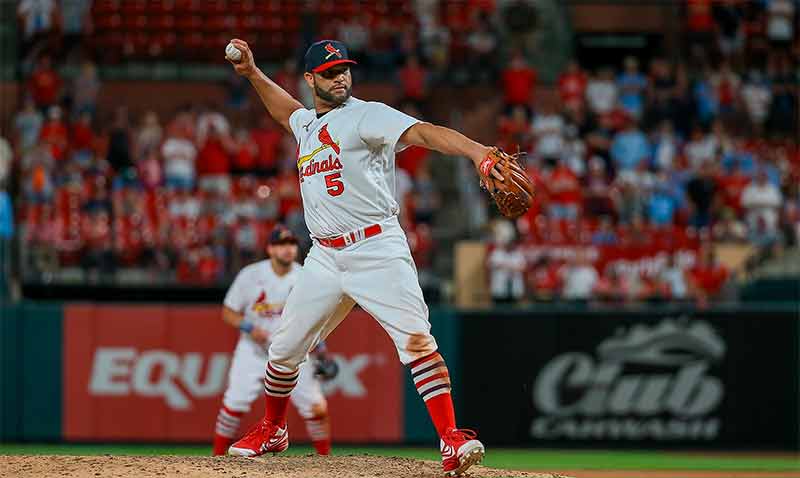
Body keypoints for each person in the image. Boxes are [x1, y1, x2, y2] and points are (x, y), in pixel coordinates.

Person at [224, 38, 504, 476]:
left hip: (376, 247)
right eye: (331, 72)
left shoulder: (367, 115)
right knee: (283, 349)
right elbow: (286, 111)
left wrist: (477, 152)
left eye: (345, 70)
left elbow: (425, 132)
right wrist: (254, 75)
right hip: (324, 256)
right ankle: (274, 429)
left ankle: (450, 438)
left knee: (417, 341)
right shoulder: (308, 126)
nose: (342, 78)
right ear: (311, 79)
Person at [212, 227, 335, 456]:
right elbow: (228, 312)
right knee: (233, 405)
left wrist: (322, 351)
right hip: (253, 351)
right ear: (270, 249)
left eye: (291, 243)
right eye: (281, 244)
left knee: (317, 409)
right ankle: (215, 460)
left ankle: (325, 462)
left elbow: (315, 319)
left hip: (294, 354)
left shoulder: (304, 276)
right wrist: (249, 327)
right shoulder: (251, 275)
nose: (287, 249)